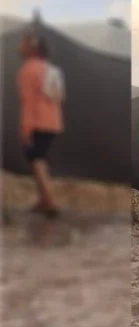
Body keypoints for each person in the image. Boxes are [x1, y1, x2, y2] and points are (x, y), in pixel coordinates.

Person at [17, 32, 63, 219]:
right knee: (40, 158)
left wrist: (25, 128)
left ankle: (50, 202)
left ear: (31, 48)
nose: (19, 46)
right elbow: (59, 96)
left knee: (37, 160)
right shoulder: (50, 69)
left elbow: (27, 102)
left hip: (36, 122)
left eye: (23, 42)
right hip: (53, 122)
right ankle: (43, 200)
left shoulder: (28, 70)